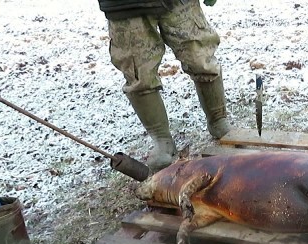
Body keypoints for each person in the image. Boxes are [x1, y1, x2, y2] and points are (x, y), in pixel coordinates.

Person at [97, 0, 232, 171]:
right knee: (139, 72)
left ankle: (218, 119)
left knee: (200, 57)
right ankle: (162, 140)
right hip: (125, 7)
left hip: (180, 3)